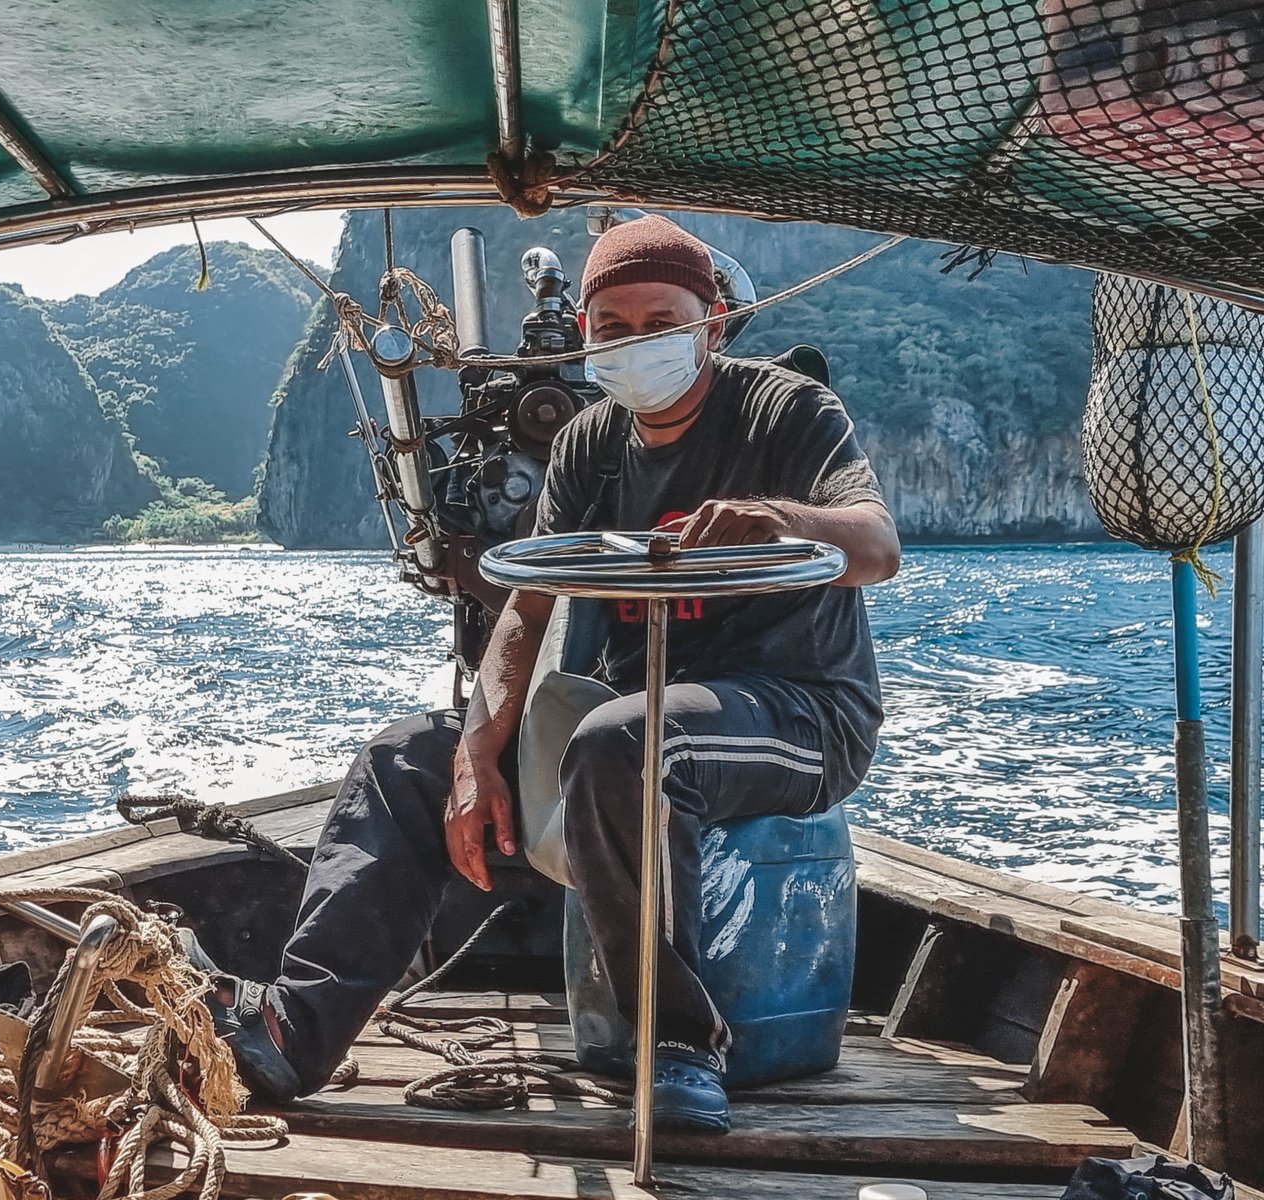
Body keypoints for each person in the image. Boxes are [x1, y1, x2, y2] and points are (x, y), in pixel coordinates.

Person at [192, 215, 901, 1133]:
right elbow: (527, 612)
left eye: (662, 321)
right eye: (613, 326)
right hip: (629, 712)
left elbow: (877, 546)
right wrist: (474, 758)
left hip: (797, 715)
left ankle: (677, 1045)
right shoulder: (588, 443)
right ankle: (296, 1030)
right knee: (406, 758)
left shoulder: (787, 410)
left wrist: (782, 520)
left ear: (713, 323)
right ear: (586, 337)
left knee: (625, 742)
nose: (636, 341)